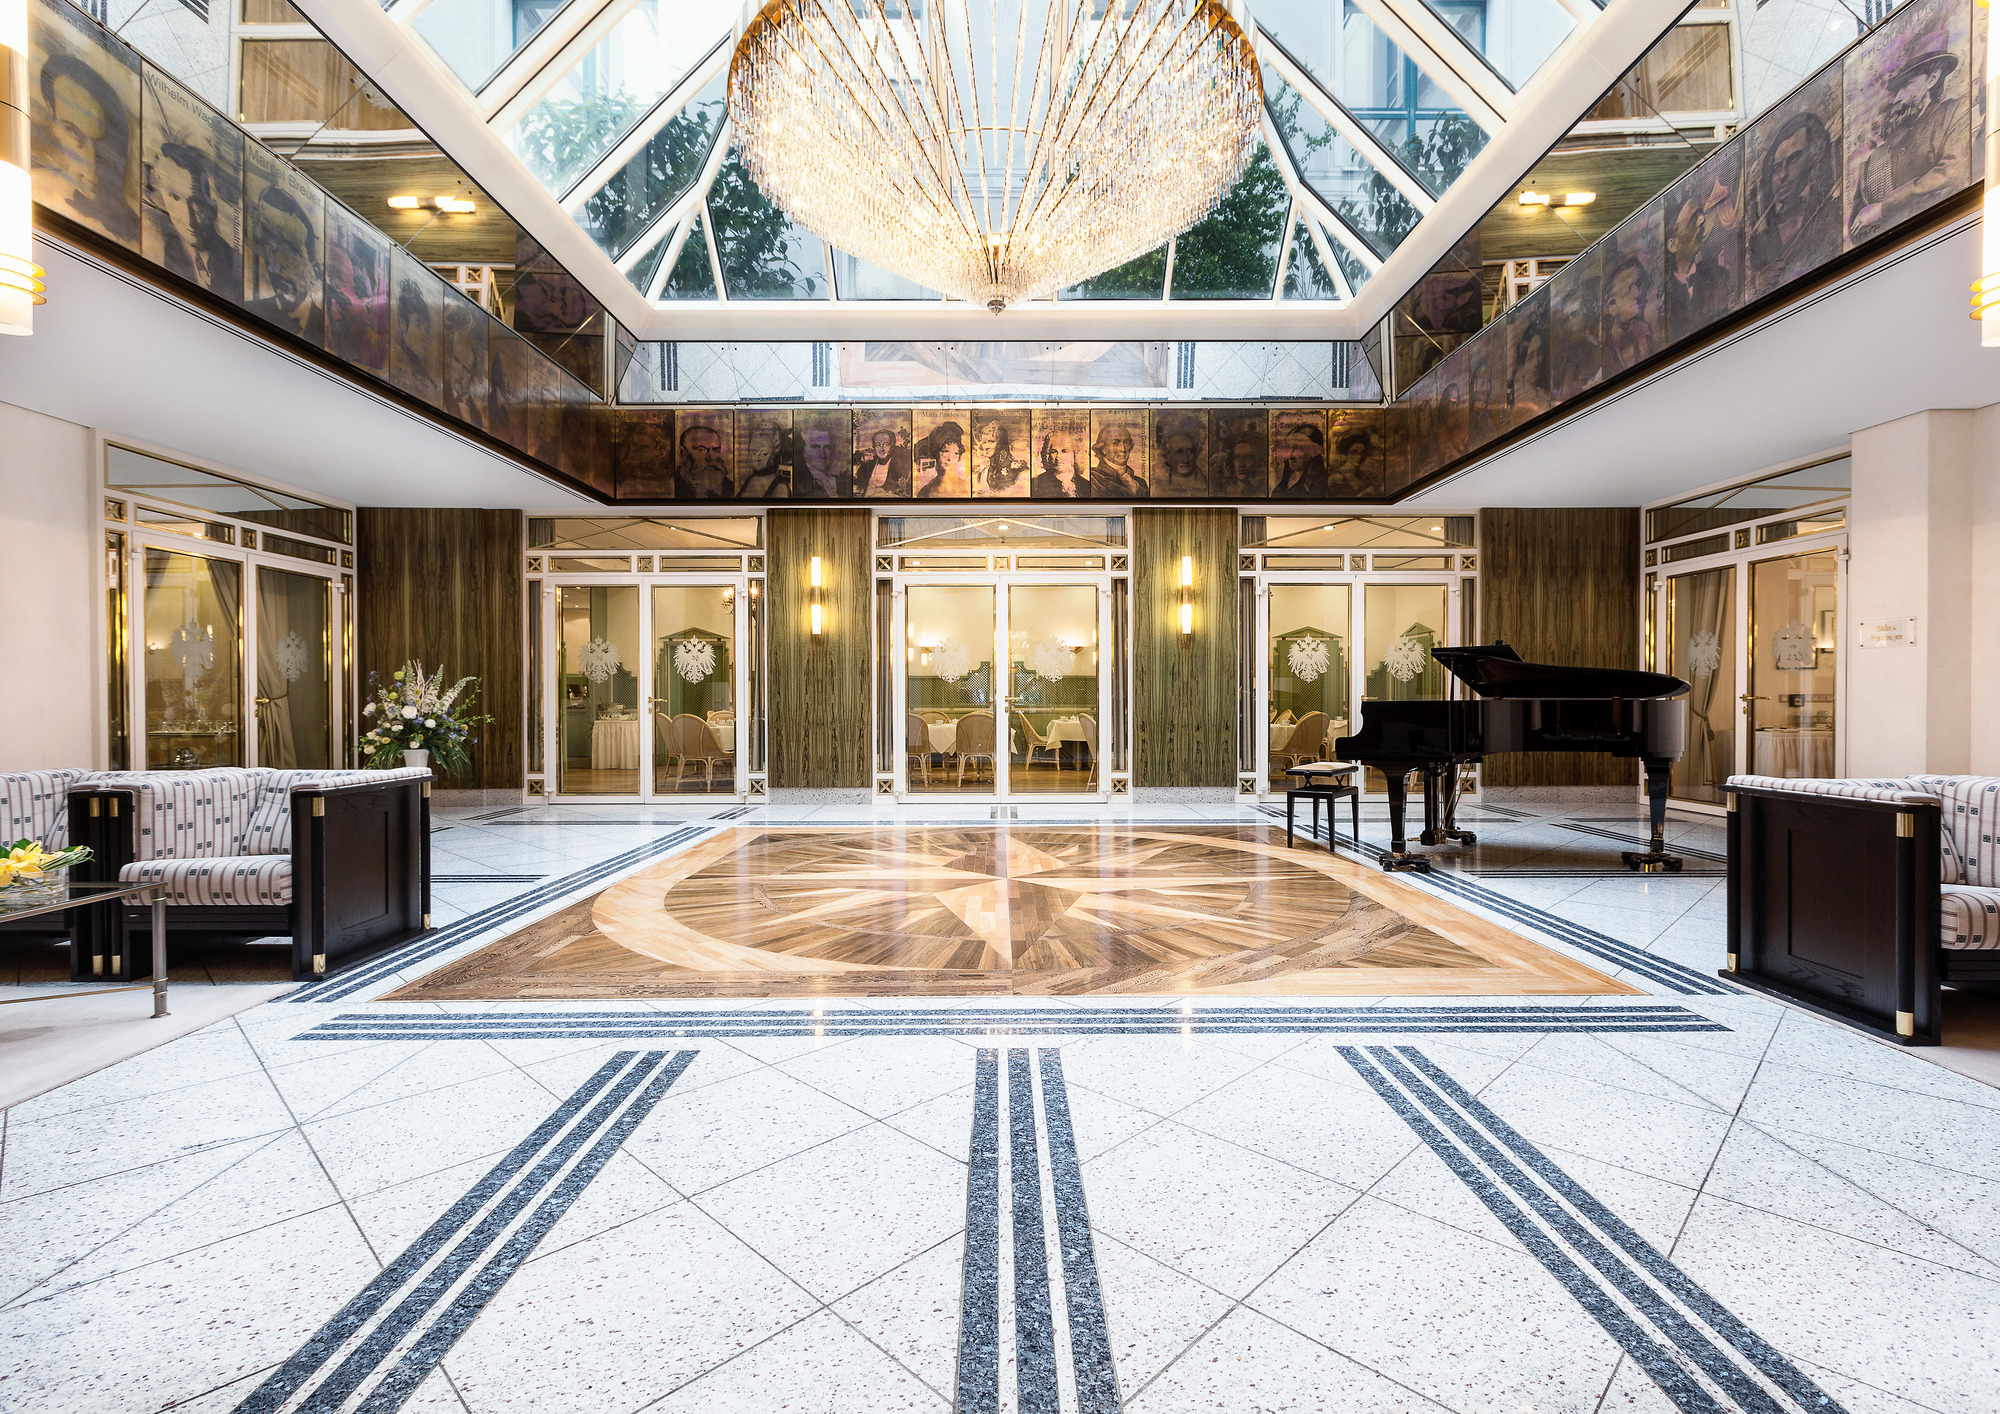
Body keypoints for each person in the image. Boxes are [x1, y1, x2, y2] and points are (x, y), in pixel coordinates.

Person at [1849, 32, 1965, 243]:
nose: (1899, 97)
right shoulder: (1882, 152)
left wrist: (1884, 208)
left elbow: (1953, 170)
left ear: (1932, 78)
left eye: (1906, 84)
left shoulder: (1954, 112)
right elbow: (1857, 226)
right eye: (1897, 89)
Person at [35, 52, 137, 242]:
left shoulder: (136, 234)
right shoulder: (27, 190)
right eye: (73, 132)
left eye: (103, 143)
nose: (92, 165)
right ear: (52, 115)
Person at [1747, 107, 1841, 292]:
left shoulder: (1832, 213)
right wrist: (1759, 281)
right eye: (1775, 168)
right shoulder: (1759, 241)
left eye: (1793, 160)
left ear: (1814, 158)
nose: (1782, 175)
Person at [144, 140, 239, 295]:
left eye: (197, 202)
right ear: (162, 197)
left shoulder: (234, 263)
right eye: (175, 197)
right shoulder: (159, 253)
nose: (189, 219)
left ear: (211, 206)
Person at [245, 182, 320, 338]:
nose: (273, 265)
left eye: (288, 248)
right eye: (267, 246)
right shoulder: (249, 312)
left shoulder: (328, 329)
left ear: (311, 257)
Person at [1601, 249, 1657, 371]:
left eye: (1637, 285)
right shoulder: (1605, 348)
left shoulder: (1643, 331)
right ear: (1612, 306)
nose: (1637, 293)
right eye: (1629, 288)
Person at [391, 275, 440, 404]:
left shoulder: (423, 374)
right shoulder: (396, 368)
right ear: (403, 324)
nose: (425, 337)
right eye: (418, 324)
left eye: (427, 329)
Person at [1089, 420, 1147, 499]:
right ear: (1103, 448)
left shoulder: (1140, 483)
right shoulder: (1093, 479)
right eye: (1115, 443)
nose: (1123, 449)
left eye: (1126, 443)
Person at [736, 415, 790, 498]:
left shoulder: (780, 487)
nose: (758, 458)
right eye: (754, 453)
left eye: (764, 454)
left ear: (774, 454)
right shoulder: (750, 480)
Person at [1270, 421, 1327, 498]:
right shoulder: (1285, 480)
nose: (1290, 456)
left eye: (1298, 448)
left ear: (1314, 452)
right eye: (1288, 448)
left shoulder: (1321, 485)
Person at [675, 422, 731, 500]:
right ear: (682, 452)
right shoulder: (673, 485)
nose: (711, 457)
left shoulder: (728, 486)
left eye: (716, 450)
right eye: (701, 449)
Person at [1153, 421, 1206, 496]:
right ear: (1167, 455)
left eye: (1190, 452)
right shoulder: (1158, 486)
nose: (1186, 459)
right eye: (1179, 452)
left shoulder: (1205, 483)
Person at [916, 421, 968, 498]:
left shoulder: (967, 488)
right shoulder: (925, 492)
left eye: (956, 453)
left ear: (959, 458)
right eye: (945, 451)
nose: (949, 458)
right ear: (936, 453)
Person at [974, 419, 1026, 495]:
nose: (986, 447)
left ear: (1001, 443)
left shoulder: (1018, 471)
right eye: (984, 442)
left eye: (991, 441)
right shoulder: (983, 474)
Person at [1031, 429, 1088, 498]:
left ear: (1075, 454)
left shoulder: (1086, 485)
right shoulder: (1036, 484)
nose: (1058, 457)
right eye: (1053, 451)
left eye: (1064, 451)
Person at [793, 422, 846, 497]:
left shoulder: (838, 481)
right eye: (815, 447)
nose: (822, 455)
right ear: (803, 451)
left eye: (827, 447)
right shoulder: (798, 482)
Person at [855, 428, 909, 497]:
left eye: (886, 444)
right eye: (878, 444)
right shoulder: (866, 467)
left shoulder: (900, 467)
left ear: (891, 446)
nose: (882, 448)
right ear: (874, 446)